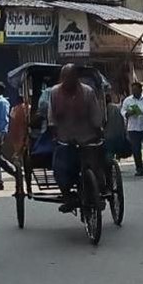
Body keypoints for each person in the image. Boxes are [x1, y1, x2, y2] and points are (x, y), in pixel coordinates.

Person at [48, 64, 103, 212]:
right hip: (65, 138)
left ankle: (99, 192)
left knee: (96, 164)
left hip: (87, 137)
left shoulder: (87, 92)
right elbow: (52, 117)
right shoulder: (54, 92)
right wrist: (54, 132)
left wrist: (98, 131)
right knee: (60, 168)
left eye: (71, 77)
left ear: (76, 78)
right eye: (65, 77)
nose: (68, 80)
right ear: (62, 78)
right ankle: (68, 196)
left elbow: (95, 114)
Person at [121, 82, 143, 176]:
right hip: (133, 128)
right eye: (133, 90)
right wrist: (128, 113)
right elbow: (123, 111)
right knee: (136, 150)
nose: (134, 92)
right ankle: (139, 169)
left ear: (141, 90)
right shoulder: (127, 100)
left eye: (136, 90)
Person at [5, 96, 30, 168]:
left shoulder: (14, 109)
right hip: (24, 130)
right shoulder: (28, 107)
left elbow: (11, 121)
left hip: (17, 132)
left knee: (18, 148)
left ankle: (18, 160)